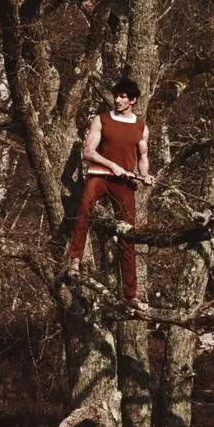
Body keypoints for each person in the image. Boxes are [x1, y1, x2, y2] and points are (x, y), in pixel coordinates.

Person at [68, 78, 154, 311]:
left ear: (133, 100)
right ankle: (74, 260)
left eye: (124, 96)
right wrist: (111, 165)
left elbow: (143, 159)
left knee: (128, 234)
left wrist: (145, 176)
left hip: (124, 182)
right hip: (99, 175)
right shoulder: (101, 120)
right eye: (117, 95)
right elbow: (88, 152)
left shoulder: (141, 127)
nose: (118, 99)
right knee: (84, 207)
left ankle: (131, 295)